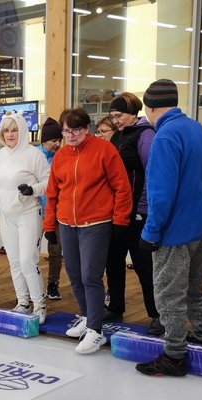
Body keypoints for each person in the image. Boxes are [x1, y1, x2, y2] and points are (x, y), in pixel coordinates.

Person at [136, 79, 202, 377]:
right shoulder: (196, 129)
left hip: (174, 233)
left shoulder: (166, 137)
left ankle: (174, 355)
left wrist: (151, 233)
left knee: (169, 295)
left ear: (150, 106)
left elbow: (160, 192)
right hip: (200, 227)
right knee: (195, 290)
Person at [44, 108, 131, 354]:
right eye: (65, 131)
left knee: (90, 276)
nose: (70, 136)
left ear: (86, 129)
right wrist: (49, 225)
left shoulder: (105, 150)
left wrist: (120, 221)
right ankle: (86, 316)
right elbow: (53, 193)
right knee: (73, 274)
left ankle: (96, 330)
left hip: (96, 224)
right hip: (67, 224)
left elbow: (122, 188)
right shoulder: (61, 156)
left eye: (75, 130)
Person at [0, 113, 50, 321]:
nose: (10, 134)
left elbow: (49, 181)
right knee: (15, 261)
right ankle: (23, 302)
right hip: (6, 215)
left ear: (22, 131)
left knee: (28, 261)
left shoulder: (34, 155)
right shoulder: (0, 155)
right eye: (6, 130)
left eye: (14, 129)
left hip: (28, 213)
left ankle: (39, 305)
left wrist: (32, 189)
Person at [103, 93, 163, 336]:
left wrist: (142, 208)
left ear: (133, 113)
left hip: (138, 213)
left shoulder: (145, 134)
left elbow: (152, 173)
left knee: (143, 265)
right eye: (113, 116)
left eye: (119, 115)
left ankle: (158, 314)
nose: (116, 120)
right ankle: (115, 307)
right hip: (117, 212)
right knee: (113, 262)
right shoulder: (117, 136)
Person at [38, 117, 64, 300]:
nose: (57, 144)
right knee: (30, 251)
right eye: (53, 140)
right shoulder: (34, 155)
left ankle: (53, 284)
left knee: (55, 250)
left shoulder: (62, 157)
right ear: (43, 140)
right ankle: (32, 286)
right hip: (35, 210)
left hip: (56, 211)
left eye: (59, 140)